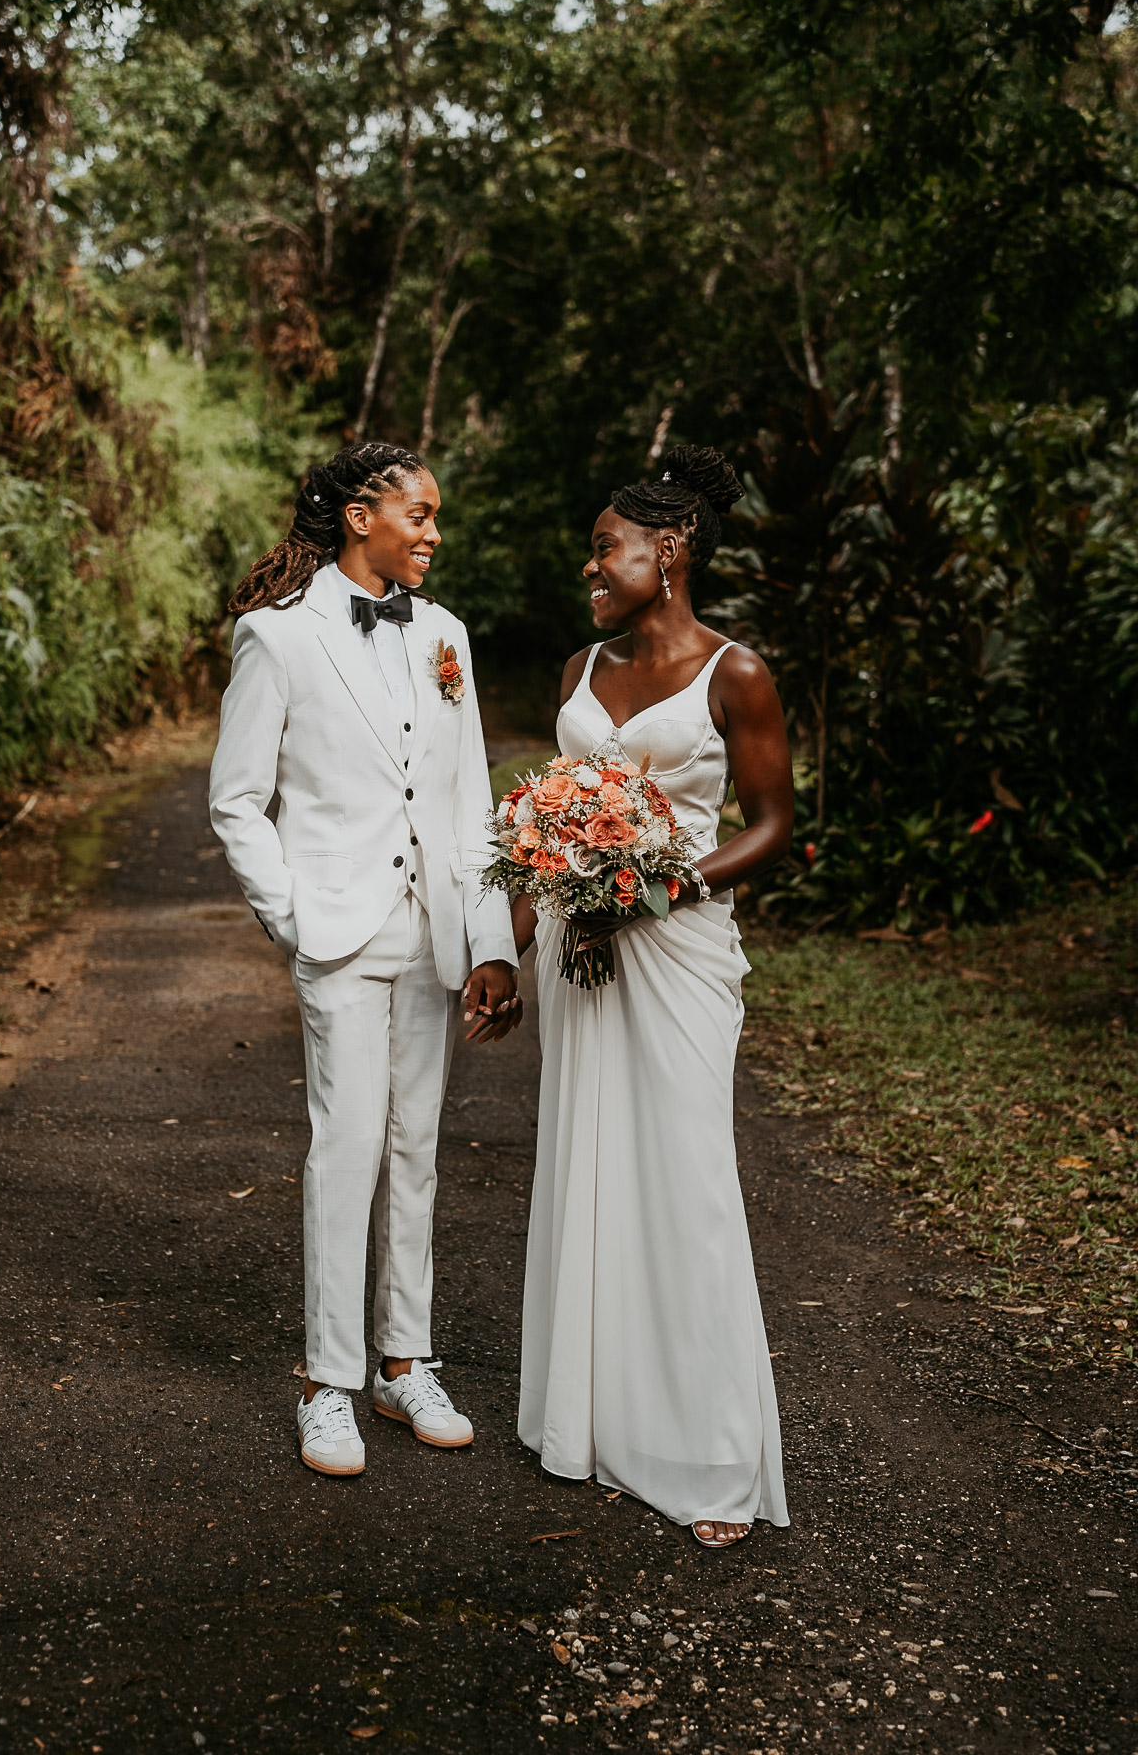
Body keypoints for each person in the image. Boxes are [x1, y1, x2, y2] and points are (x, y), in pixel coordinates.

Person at [210, 441, 520, 1478]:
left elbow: (471, 802)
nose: (433, 533)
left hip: (430, 930)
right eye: (419, 515)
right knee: (344, 1150)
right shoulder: (277, 638)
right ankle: (325, 1382)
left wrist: (489, 942)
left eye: (435, 518)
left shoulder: (445, 637)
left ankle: (405, 1361)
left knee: (416, 1151)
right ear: (359, 518)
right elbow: (237, 800)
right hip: (337, 932)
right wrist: (293, 916)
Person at [511, 443, 792, 1548]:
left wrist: (657, 885)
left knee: (682, 1182)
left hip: (677, 954)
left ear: (667, 550)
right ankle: (596, 1424)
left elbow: (772, 826)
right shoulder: (581, 667)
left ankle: (710, 1453)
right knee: (588, 1170)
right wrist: (521, 929)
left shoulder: (738, 674)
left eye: (604, 547)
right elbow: (546, 815)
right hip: (578, 950)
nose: (591, 566)